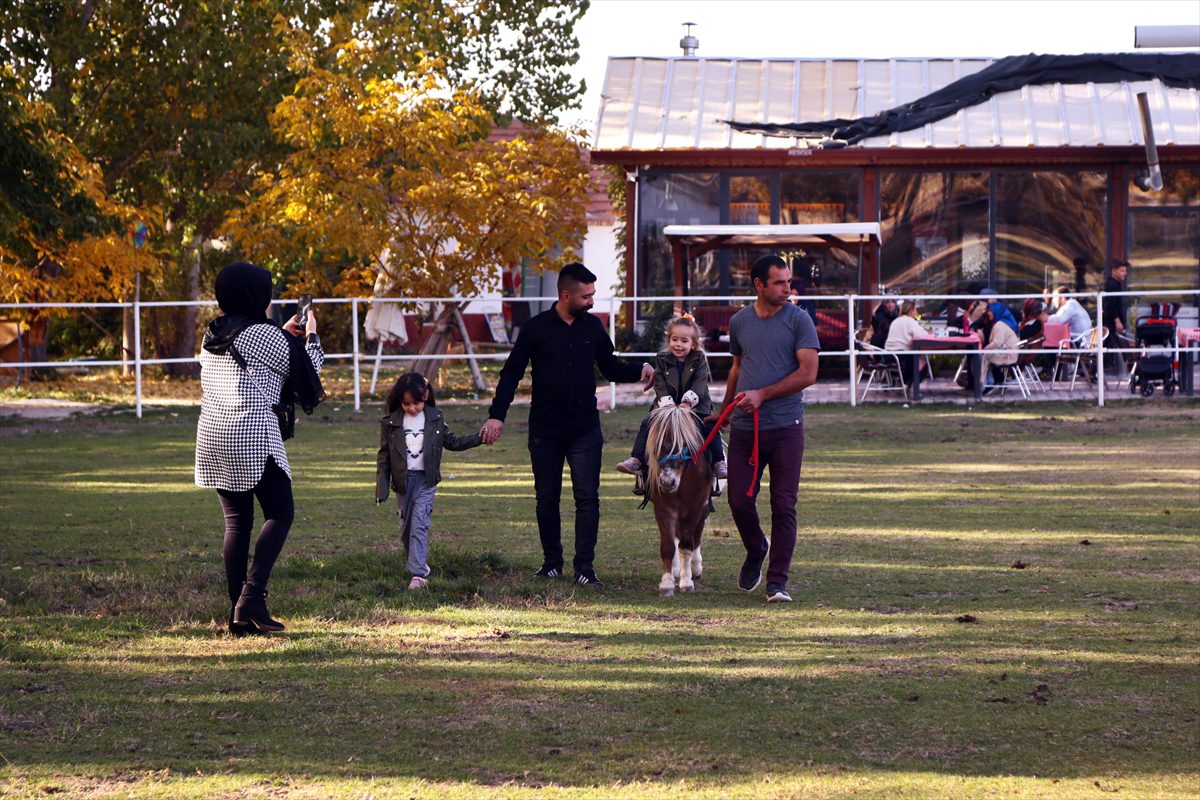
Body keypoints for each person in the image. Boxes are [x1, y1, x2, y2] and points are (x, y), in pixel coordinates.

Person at [481, 262, 654, 589]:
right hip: (545, 429)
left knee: (588, 497)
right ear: (565, 294)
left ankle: (585, 567)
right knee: (546, 497)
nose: (591, 302)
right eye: (586, 296)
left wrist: (641, 369)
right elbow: (511, 374)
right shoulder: (535, 329)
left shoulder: (593, 328)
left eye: (593, 295)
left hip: (585, 429)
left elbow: (611, 368)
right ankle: (551, 564)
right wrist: (496, 414)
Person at [195, 262, 324, 636]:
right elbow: (308, 372)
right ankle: (252, 597)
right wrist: (311, 337)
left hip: (214, 434)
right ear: (257, 295)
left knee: (237, 523)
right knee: (281, 513)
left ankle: (238, 615)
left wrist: (282, 336)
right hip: (251, 433)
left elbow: (259, 358)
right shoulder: (263, 335)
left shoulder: (213, 331)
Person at [714, 255, 819, 604]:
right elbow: (737, 367)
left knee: (783, 504)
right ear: (759, 284)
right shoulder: (740, 321)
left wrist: (763, 394)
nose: (788, 289)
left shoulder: (799, 320)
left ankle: (777, 582)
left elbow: (808, 374)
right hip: (745, 429)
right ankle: (757, 547)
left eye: (789, 282)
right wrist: (725, 410)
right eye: (780, 283)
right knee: (739, 500)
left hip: (787, 427)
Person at [376, 373, 484, 590]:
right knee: (407, 529)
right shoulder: (391, 422)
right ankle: (416, 563)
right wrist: (382, 488)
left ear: (425, 396)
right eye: (406, 403)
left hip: (426, 481)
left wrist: (479, 438)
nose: (412, 408)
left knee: (419, 525)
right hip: (403, 484)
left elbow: (452, 442)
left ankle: (419, 574)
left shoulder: (435, 417)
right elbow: (384, 455)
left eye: (416, 402)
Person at [616, 315, 727, 491]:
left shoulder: (699, 359)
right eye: (674, 339)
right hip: (667, 406)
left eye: (684, 340)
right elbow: (659, 382)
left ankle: (718, 462)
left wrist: (687, 402)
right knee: (648, 423)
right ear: (669, 340)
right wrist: (666, 403)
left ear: (694, 344)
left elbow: (700, 383)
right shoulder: (662, 358)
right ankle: (637, 461)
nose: (678, 344)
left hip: (696, 406)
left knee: (709, 426)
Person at [883, 300, 927, 385]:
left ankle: (903, 382)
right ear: (912, 310)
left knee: (913, 360)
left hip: (888, 354)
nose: (916, 312)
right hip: (901, 355)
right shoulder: (910, 321)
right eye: (915, 310)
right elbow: (922, 334)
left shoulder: (896, 321)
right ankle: (912, 387)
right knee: (923, 364)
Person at [981, 305, 1020, 392]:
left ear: (996, 312)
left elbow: (997, 343)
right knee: (986, 355)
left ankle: (987, 383)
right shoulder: (1003, 323)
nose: (988, 313)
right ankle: (993, 381)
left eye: (991, 311)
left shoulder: (1000, 325)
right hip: (1009, 353)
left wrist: (985, 349)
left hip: (1008, 356)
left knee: (983, 356)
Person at [1103, 259, 1131, 377]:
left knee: (1109, 344)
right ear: (1113, 271)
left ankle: (1096, 369)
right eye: (1122, 270)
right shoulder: (1112, 285)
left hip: (1111, 320)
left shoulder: (1116, 284)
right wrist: (1117, 320)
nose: (1124, 273)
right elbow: (1111, 304)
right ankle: (1126, 369)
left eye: (1125, 271)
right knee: (1118, 344)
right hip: (1111, 321)